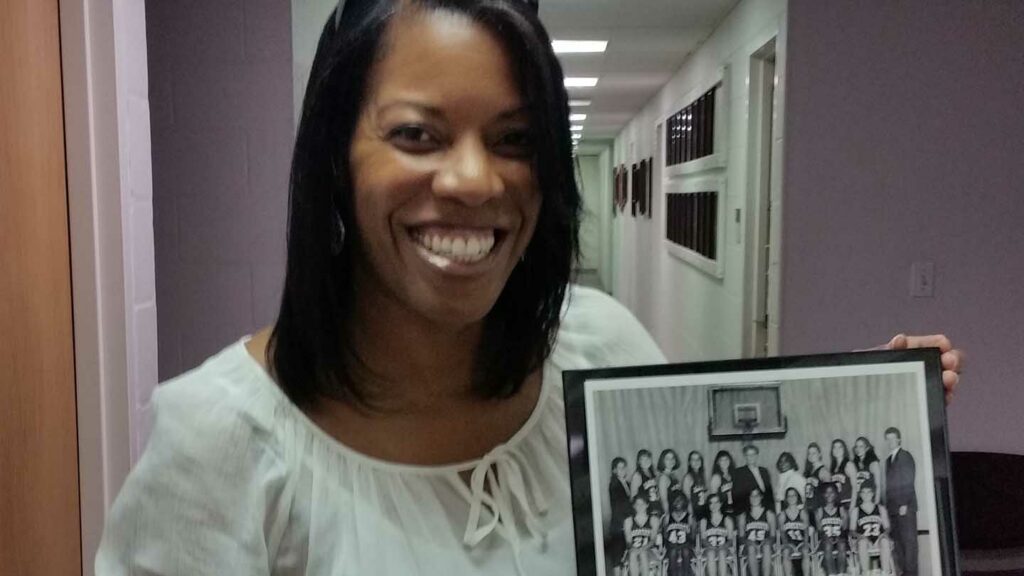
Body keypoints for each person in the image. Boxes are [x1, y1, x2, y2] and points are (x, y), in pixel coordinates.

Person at [92, 0, 964, 572]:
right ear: (333, 159)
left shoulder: (598, 345)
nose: (475, 181)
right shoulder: (219, 448)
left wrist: (862, 409)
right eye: (418, 135)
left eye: (514, 140)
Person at [885, 427, 918, 576]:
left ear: (899, 439)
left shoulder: (905, 456)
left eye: (893, 438)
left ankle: (911, 573)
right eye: (888, 439)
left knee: (908, 543)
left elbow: (908, 479)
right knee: (898, 543)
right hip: (893, 509)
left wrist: (904, 503)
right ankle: (904, 573)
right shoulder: (888, 460)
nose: (890, 441)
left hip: (905, 508)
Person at [849, 484, 893, 576]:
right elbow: (852, 531)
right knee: (862, 543)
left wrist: (883, 535)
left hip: (879, 539)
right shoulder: (856, 511)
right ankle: (866, 572)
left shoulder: (880, 508)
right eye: (863, 493)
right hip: (863, 541)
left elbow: (888, 527)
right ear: (860, 494)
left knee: (885, 541)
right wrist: (861, 537)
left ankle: (885, 572)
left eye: (869, 492)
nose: (866, 495)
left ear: (873, 494)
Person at [739, 488, 776, 576]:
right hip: (749, 546)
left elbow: (773, 535)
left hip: (765, 544)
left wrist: (767, 541)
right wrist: (748, 542)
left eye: (757, 496)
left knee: (766, 547)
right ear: (749, 498)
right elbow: (740, 537)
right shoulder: (743, 516)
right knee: (751, 548)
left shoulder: (769, 514)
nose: (754, 498)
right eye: (752, 496)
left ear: (761, 497)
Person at [624, 495, 662, 576]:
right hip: (633, 549)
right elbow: (628, 541)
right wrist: (633, 548)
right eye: (637, 504)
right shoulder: (628, 521)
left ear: (647, 505)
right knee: (632, 554)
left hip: (649, 549)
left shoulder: (653, 519)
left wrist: (642, 548)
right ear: (634, 506)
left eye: (642, 504)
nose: (640, 506)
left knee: (643, 553)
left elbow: (653, 540)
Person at [816, 484, 849, 576]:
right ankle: (832, 573)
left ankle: (841, 573)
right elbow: (819, 529)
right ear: (823, 495)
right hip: (825, 539)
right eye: (827, 492)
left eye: (831, 492)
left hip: (839, 537)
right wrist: (827, 537)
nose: (829, 494)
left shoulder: (841, 509)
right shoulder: (820, 510)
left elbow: (845, 527)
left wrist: (838, 537)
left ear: (835, 494)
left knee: (842, 545)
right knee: (827, 545)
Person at [778, 488, 812, 576]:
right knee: (785, 552)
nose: (791, 497)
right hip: (788, 542)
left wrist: (805, 542)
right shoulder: (782, 514)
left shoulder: (802, 513)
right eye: (789, 496)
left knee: (805, 551)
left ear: (798, 497)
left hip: (800, 542)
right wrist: (786, 543)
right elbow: (781, 532)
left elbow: (806, 531)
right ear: (786, 498)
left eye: (794, 495)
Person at [734, 445, 775, 517]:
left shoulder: (764, 471)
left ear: (757, 456)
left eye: (753, 454)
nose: (751, 457)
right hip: (748, 511)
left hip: (765, 510)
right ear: (745, 456)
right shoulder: (739, 472)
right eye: (748, 455)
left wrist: (771, 510)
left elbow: (769, 493)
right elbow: (738, 495)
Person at [700, 493, 736, 576]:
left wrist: (724, 546)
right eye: (711, 503)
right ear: (708, 505)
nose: (714, 505)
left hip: (724, 548)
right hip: (709, 548)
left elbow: (730, 539)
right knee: (711, 553)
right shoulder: (704, 521)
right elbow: (703, 539)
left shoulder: (727, 520)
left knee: (722, 553)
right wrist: (710, 546)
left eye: (716, 502)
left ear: (720, 504)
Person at [610, 457, 634, 576]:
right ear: (614, 470)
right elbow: (618, 507)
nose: (623, 470)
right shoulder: (614, 485)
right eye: (620, 468)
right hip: (619, 524)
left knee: (626, 554)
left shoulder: (628, 484)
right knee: (618, 556)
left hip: (628, 523)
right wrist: (625, 524)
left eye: (624, 467)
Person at [663, 492, 696, 576]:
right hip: (671, 545)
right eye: (675, 500)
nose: (677, 502)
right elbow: (665, 535)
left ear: (684, 502)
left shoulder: (689, 517)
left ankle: (687, 573)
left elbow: (693, 536)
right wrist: (670, 543)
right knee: (673, 552)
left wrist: (687, 543)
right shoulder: (667, 517)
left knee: (685, 552)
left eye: (680, 500)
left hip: (686, 545)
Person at [802, 442, 828, 525]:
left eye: (814, 453)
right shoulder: (808, 471)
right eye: (809, 453)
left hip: (820, 508)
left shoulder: (824, 471)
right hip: (809, 508)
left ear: (819, 454)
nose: (811, 455)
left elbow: (829, 493)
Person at [852, 436, 883, 504]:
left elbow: (878, 486)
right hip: (859, 500)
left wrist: (876, 504)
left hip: (871, 500)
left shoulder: (873, 464)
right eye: (856, 446)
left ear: (867, 448)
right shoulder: (854, 464)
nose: (858, 449)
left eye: (861, 446)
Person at [633, 449, 663, 517]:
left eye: (648, 458)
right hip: (645, 509)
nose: (646, 461)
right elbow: (633, 497)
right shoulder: (637, 476)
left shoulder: (654, 473)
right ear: (639, 462)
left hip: (656, 506)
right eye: (643, 459)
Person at [829, 439, 858, 509]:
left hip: (848, 502)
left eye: (840, 447)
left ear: (844, 450)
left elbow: (855, 487)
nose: (837, 450)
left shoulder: (849, 464)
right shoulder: (833, 467)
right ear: (832, 451)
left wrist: (852, 507)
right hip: (838, 504)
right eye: (834, 447)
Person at [709, 449, 737, 517]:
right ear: (718, 462)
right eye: (722, 460)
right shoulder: (716, 477)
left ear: (730, 461)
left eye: (726, 459)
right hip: (723, 512)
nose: (725, 462)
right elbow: (713, 498)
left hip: (735, 509)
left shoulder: (734, 474)